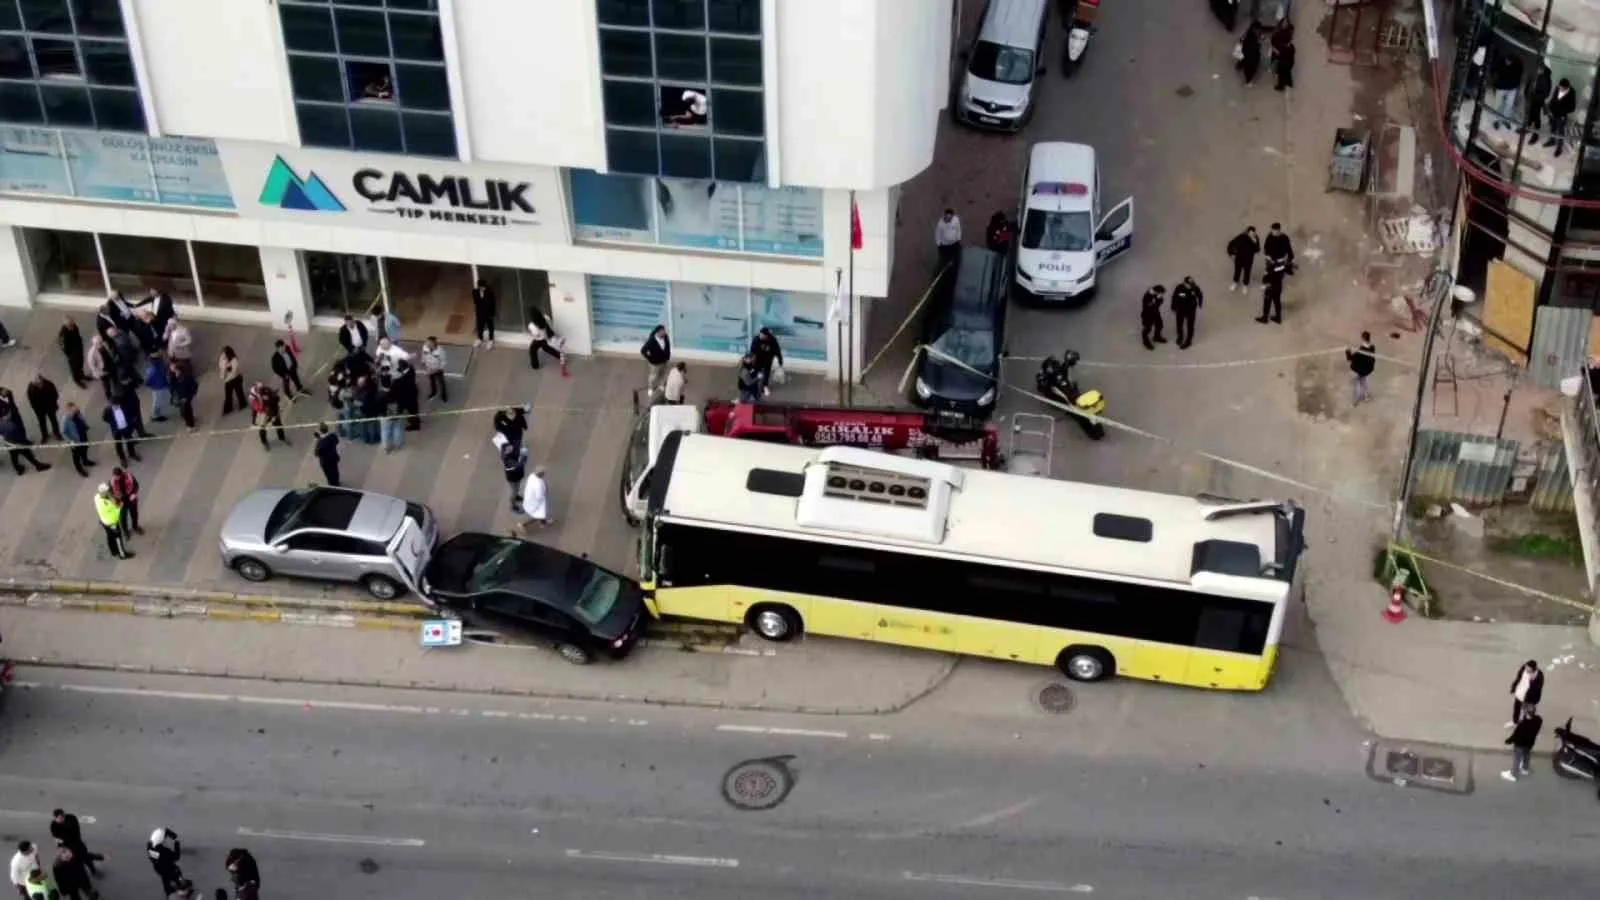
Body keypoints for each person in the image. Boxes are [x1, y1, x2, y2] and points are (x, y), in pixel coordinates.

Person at [48, 810, 99, 878]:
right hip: (67, 848)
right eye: (58, 818)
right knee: (74, 863)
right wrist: (60, 844)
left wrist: (62, 839)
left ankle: (93, 870)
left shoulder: (71, 818)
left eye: (62, 817)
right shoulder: (53, 825)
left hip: (77, 843)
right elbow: (55, 836)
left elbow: (74, 833)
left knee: (86, 858)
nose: (61, 820)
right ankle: (80, 875)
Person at [1501, 706, 1543, 782]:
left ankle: (1513, 774)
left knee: (1517, 758)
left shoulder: (1523, 725)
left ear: (1526, 712)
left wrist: (1509, 740)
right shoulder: (1539, 720)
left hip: (1520, 744)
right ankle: (1525, 769)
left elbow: (1516, 735)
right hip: (1530, 743)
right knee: (1527, 755)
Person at [526, 307, 567, 375]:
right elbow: (550, 325)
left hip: (539, 339)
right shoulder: (546, 317)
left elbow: (536, 335)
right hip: (547, 337)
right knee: (546, 348)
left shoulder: (531, 325)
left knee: (532, 350)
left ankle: (535, 365)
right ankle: (560, 356)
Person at [94, 483, 130, 560]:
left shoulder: (97, 497)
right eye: (107, 491)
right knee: (118, 539)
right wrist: (120, 507)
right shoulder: (107, 504)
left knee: (110, 537)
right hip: (112, 523)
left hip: (104, 522)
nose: (109, 492)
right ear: (104, 493)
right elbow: (116, 513)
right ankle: (122, 554)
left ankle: (113, 551)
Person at [248, 383, 289, 450]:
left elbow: (276, 399)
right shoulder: (253, 397)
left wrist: (272, 398)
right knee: (262, 428)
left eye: (261, 389)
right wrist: (263, 401)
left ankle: (282, 437)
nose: (261, 390)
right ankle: (264, 442)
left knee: (278, 425)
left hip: (273, 411)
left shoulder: (267, 390)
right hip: (263, 413)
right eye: (259, 389)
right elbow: (256, 409)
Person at [495, 430, 528, 513]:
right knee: (514, 490)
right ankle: (513, 505)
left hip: (517, 474)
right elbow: (518, 465)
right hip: (512, 476)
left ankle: (516, 497)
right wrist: (524, 456)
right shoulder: (507, 459)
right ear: (505, 451)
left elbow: (516, 446)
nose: (511, 447)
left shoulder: (509, 452)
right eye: (509, 448)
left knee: (517, 487)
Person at [100, 397, 140, 465]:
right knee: (118, 445)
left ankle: (132, 454)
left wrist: (131, 422)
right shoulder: (107, 410)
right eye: (114, 406)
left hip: (126, 428)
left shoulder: (125, 407)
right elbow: (104, 418)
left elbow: (131, 413)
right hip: (116, 430)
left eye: (117, 405)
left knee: (129, 441)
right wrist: (112, 423)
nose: (116, 407)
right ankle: (122, 458)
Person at [60, 403, 94, 477]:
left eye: (75, 410)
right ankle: (79, 469)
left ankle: (85, 461)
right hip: (75, 441)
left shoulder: (77, 414)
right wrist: (70, 441)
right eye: (73, 411)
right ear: (68, 411)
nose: (75, 412)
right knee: (76, 456)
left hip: (83, 437)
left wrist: (85, 425)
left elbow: (82, 421)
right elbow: (63, 432)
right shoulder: (65, 419)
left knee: (85, 449)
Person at [25, 373, 61, 442]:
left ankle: (57, 433)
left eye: (39, 383)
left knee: (53, 420)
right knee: (42, 423)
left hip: (50, 407)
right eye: (36, 384)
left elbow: (55, 394)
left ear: (41, 379)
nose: (38, 385)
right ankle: (45, 436)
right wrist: (36, 409)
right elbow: (31, 401)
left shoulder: (49, 384)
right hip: (40, 410)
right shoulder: (31, 389)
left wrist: (53, 403)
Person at [145, 829, 181, 897]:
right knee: (179, 888)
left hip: (162, 872)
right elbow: (176, 856)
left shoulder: (151, 850)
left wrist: (166, 832)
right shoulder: (164, 852)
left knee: (168, 890)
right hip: (172, 872)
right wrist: (176, 841)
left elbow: (150, 846)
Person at [749, 327, 784, 395]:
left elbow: (778, 351)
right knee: (755, 371)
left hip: (768, 359)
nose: (761, 336)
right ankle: (752, 386)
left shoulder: (772, 340)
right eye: (760, 334)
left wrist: (780, 362)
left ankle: (765, 386)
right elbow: (752, 351)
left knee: (766, 373)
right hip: (758, 358)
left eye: (762, 335)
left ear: (767, 336)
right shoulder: (756, 339)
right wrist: (751, 361)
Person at [1509, 659, 1544, 726]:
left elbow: (1538, 688)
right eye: (1526, 667)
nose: (1526, 669)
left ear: (1533, 669)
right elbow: (1518, 678)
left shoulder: (1539, 675)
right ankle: (1515, 722)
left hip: (1530, 697)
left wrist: (1532, 681)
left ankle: (1528, 725)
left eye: (1528, 668)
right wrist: (1513, 687)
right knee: (1516, 708)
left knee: (1528, 712)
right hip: (1519, 693)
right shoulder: (1523, 669)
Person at [1171, 276, 1203, 349]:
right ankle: (1180, 337)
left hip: (1191, 310)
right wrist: (1173, 306)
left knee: (1190, 326)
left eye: (1191, 284)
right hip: (1180, 309)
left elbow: (1200, 294)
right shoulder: (1179, 288)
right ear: (1185, 283)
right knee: (1179, 324)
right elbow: (1174, 296)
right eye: (1189, 284)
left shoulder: (1195, 288)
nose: (1190, 286)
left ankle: (1188, 341)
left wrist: (1200, 303)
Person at [640, 325, 672, 397]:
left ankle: (661, 385)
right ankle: (650, 388)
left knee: (663, 374)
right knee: (653, 376)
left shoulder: (665, 337)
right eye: (662, 332)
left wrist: (668, 355)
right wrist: (650, 358)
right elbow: (643, 350)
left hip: (664, 360)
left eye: (664, 331)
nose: (664, 333)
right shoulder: (651, 341)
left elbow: (668, 346)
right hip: (655, 363)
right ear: (658, 332)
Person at [517, 466, 552, 531]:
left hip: (529, 498)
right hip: (535, 502)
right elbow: (539, 496)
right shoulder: (538, 485)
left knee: (542, 513)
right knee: (538, 515)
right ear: (541, 474)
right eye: (543, 473)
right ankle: (523, 525)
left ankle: (543, 522)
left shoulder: (532, 476)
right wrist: (545, 492)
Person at [1346, 332, 1377, 404]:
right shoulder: (1372, 348)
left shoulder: (1360, 352)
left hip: (1361, 369)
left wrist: (1347, 350)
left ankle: (1357, 399)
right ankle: (1365, 396)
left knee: (1358, 384)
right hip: (1368, 369)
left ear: (1362, 338)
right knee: (1363, 382)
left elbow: (1349, 358)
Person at [1548, 78, 1577, 156]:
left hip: (1561, 115)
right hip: (1554, 112)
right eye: (1560, 87)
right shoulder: (1557, 88)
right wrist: (1550, 109)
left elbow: (1572, 107)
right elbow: (1553, 99)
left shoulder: (1572, 92)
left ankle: (1559, 148)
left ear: (1567, 87)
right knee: (1552, 127)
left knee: (1561, 132)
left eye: (1562, 88)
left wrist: (1563, 113)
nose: (1560, 88)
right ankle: (1552, 140)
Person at [110, 465, 142, 536]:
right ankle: (125, 531)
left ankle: (135, 527)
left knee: (134, 514)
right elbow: (111, 493)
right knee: (123, 518)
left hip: (131, 499)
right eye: (115, 476)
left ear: (121, 475)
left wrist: (134, 494)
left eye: (117, 477)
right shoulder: (112, 482)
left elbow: (136, 485)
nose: (116, 478)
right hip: (121, 502)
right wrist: (116, 501)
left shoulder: (129, 477)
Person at [1227, 226, 1260, 292]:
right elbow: (1231, 244)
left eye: (1253, 233)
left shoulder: (1256, 238)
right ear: (1247, 232)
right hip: (1239, 259)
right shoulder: (1241, 237)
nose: (1251, 235)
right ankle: (1235, 282)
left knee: (1247, 273)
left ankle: (1245, 285)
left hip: (1248, 260)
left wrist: (1255, 242)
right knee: (1237, 271)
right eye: (1250, 233)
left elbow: (1257, 250)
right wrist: (1231, 254)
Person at [1524, 63, 1552, 137]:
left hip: (1537, 100)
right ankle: (1528, 127)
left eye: (1539, 69)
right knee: (1529, 114)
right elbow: (1529, 84)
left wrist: (1535, 97)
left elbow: (1545, 93)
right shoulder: (1535, 75)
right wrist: (1526, 94)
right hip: (1531, 98)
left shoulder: (1546, 79)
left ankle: (1536, 133)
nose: (1537, 70)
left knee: (1536, 116)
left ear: (1542, 70)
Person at [169, 359, 198, 431]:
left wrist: (188, 396)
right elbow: (172, 385)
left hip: (186, 398)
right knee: (185, 411)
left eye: (176, 370)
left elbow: (194, 386)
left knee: (186, 411)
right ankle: (190, 422)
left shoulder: (186, 378)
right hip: (181, 397)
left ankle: (191, 426)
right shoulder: (175, 376)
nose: (175, 372)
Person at [57, 318, 87, 389]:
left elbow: (77, 334)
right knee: (74, 368)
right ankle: (77, 380)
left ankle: (82, 375)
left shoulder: (75, 326)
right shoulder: (63, 334)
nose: (72, 326)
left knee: (80, 363)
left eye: (72, 323)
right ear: (66, 325)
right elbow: (63, 346)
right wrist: (70, 354)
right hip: (72, 353)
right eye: (70, 325)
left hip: (78, 349)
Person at [393, 359, 421, 431]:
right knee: (409, 409)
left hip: (408, 396)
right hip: (410, 394)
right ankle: (414, 420)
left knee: (412, 410)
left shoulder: (405, 378)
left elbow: (400, 383)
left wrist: (397, 380)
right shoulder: (410, 370)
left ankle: (415, 425)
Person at [1257, 258, 1288, 324]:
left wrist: (1265, 284)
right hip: (1278, 286)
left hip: (1270, 287)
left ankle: (1265, 318)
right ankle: (1278, 318)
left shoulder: (1270, 268)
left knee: (1267, 302)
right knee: (1277, 301)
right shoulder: (1281, 266)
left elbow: (1267, 277)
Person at [218, 346, 246, 416]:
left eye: (225, 353)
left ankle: (242, 404)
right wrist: (224, 370)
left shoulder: (234, 360)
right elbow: (221, 366)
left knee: (239, 392)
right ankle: (228, 408)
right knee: (228, 395)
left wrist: (226, 370)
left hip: (235, 378)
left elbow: (234, 371)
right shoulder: (223, 358)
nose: (223, 354)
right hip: (228, 380)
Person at [355, 375, 382, 446]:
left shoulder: (363, 391)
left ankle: (367, 439)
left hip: (365, 410)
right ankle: (374, 438)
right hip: (374, 410)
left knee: (365, 426)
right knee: (373, 425)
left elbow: (359, 400)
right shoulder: (374, 388)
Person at [419, 337, 448, 402]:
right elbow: (423, 355)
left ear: (433, 343)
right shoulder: (425, 347)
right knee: (432, 382)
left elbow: (443, 362)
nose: (426, 343)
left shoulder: (440, 351)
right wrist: (423, 362)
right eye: (426, 342)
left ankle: (444, 395)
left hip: (438, 369)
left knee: (441, 383)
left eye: (428, 342)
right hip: (429, 368)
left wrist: (439, 369)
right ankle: (433, 392)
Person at [144, 352, 169, 423]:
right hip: (159, 388)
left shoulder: (151, 371)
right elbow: (147, 382)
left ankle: (156, 415)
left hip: (157, 387)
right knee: (157, 402)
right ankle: (155, 415)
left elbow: (147, 382)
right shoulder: (160, 367)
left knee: (158, 402)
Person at [1139, 285, 1167, 350]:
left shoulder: (1156, 295)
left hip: (1155, 313)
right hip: (1147, 315)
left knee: (1159, 325)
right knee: (1147, 329)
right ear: (1157, 292)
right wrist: (1157, 299)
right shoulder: (1147, 296)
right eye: (1161, 293)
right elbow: (1151, 306)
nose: (1162, 295)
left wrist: (1159, 299)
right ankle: (1145, 342)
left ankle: (1157, 337)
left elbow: (1160, 302)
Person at [86, 335, 113, 400]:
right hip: (102, 370)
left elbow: (108, 351)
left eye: (101, 342)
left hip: (109, 364)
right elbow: (92, 366)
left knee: (113, 376)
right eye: (99, 343)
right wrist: (100, 370)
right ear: (95, 344)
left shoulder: (104, 345)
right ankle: (108, 395)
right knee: (106, 384)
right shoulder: (91, 354)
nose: (101, 345)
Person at [472, 279, 497, 348]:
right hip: (480, 313)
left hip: (488, 313)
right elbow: (476, 302)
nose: (483, 288)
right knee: (480, 326)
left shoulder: (490, 292)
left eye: (484, 287)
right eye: (481, 287)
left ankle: (491, 340)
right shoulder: (475, 292)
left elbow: (493, 303)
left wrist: (493, 313)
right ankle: (480, 338)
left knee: (490, 326)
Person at [1272, 26, 1295, 91]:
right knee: (1288, 73)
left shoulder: (1283, 47)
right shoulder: (1291, 46)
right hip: (1290, 63)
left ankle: (1281, 86)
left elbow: (1279, 54)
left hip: (1283, 63)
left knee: (1281, 74)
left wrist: (1274, 49)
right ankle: (1290, 84)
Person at [1239, 21, 1262, 85]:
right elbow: (1244, 42)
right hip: (1250, 53)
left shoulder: (1253, 34)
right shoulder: (1249, 36)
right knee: (1250, 66)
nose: (1257, 31)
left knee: (1249, 64)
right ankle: (1248, 80)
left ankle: (1241, 66)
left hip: (1251, 52)